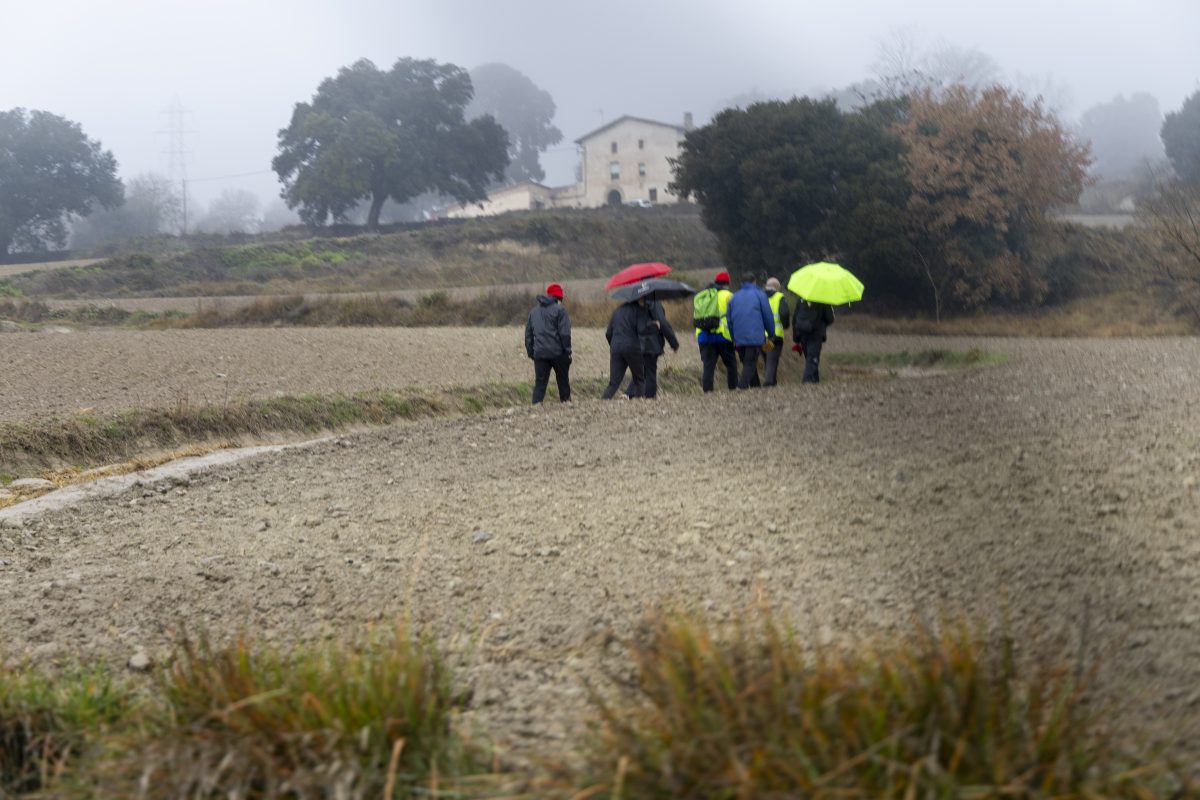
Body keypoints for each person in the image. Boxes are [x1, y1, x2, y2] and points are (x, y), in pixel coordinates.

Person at [725, 273, 775, 389]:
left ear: (741, 283)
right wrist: (771, 333)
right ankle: (741, 387)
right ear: (754, 282)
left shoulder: (734, 297)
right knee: (750, 362)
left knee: (746, 362)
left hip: (739, 336)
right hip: (755, 335)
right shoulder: (760, 295)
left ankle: (755, 386)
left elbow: (729, 320)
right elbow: (767, 315)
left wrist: (733, 337)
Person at [524, 282, 572, 404]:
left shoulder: (533, 312)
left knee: (540, 384)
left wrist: (531, 353)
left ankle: (535, 407)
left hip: (539, 354)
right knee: (563, 382)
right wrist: (567, 351)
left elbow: (528, 335)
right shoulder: (561, 310)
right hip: (558, 353)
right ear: (559, 297)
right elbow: (565, 334)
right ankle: (566, 406)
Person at [625, 298, 679, 399]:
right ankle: (649, 397)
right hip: (650, 344)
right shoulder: (654, 302)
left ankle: (629, 394)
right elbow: (662, 323)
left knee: (641, 371)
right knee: (650, 372)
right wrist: (674, 343)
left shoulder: (633, 303)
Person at [695, 271, 737, 392]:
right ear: (727, 283)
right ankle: (733, 389)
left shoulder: (704, 295)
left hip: (704, 335)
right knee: (731, 364)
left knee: (708, 366)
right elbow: (734, 315)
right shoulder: (728, 295)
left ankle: (707, 391)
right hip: (723, 335)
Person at [602, 297, 652, 399]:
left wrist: (615, 345)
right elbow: (642, 330)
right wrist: (654, 326)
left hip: (616, 348)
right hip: (632, 348)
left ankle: (602, 402)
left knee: (613, 383)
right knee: (639, 380)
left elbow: (608, 333)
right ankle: (638, 405)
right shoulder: (639, 310)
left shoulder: (617, 311)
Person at [792, 297, 836, 384]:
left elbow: (794, 319)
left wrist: (796, 338)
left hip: (802, 333)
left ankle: (815, 380)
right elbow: (830, 319)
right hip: (816, 334)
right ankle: (807, 380)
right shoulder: (823, 300)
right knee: (812, 358)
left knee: (809, 358)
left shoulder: (801, 299)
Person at [762, 277, 790, 387]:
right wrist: (785, 325)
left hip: (761, 335)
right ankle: (769, 381)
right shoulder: (779, 297)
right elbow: (784, 313)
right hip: (775, 336)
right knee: (772, 359)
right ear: (777, 287)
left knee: (768, 358)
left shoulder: (760, 297)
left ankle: (772, 381)